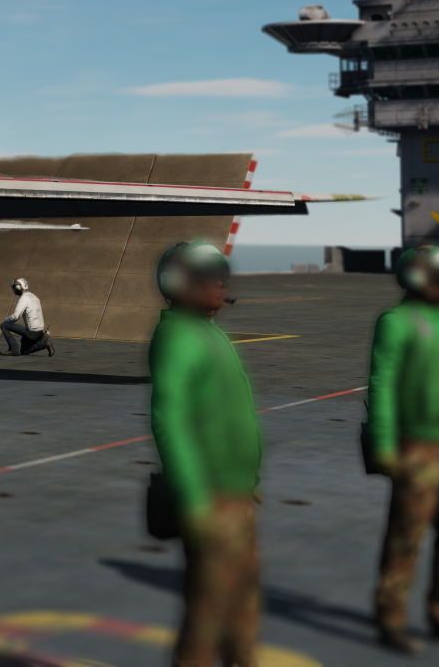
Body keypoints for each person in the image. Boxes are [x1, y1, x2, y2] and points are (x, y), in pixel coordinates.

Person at [149, 239, 263, 667]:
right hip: (211, 498)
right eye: (206, 276)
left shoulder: (207, 332)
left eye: (220, 274)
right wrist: (195, 499)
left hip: (235, 493)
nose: (219, 282)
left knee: (241, 599)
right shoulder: (179, 337)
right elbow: (171, 420)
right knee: (209, 610)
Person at [366, 244, 439, 652]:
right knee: (405, 536)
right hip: (416, 448)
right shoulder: (396, 322)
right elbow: (381, 386)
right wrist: (384, 444)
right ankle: (391, 616)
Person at [0, 277, 54, 357]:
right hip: (39, 331)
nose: (14, 289)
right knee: (24, 351)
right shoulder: (34, 296)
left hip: (32, 332)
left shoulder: (23, 298)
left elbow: (16, 316)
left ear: (20, 287)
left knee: (3, 325)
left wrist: (5, 321)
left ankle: (13, 349)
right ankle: (44, 344)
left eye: (15, 287)